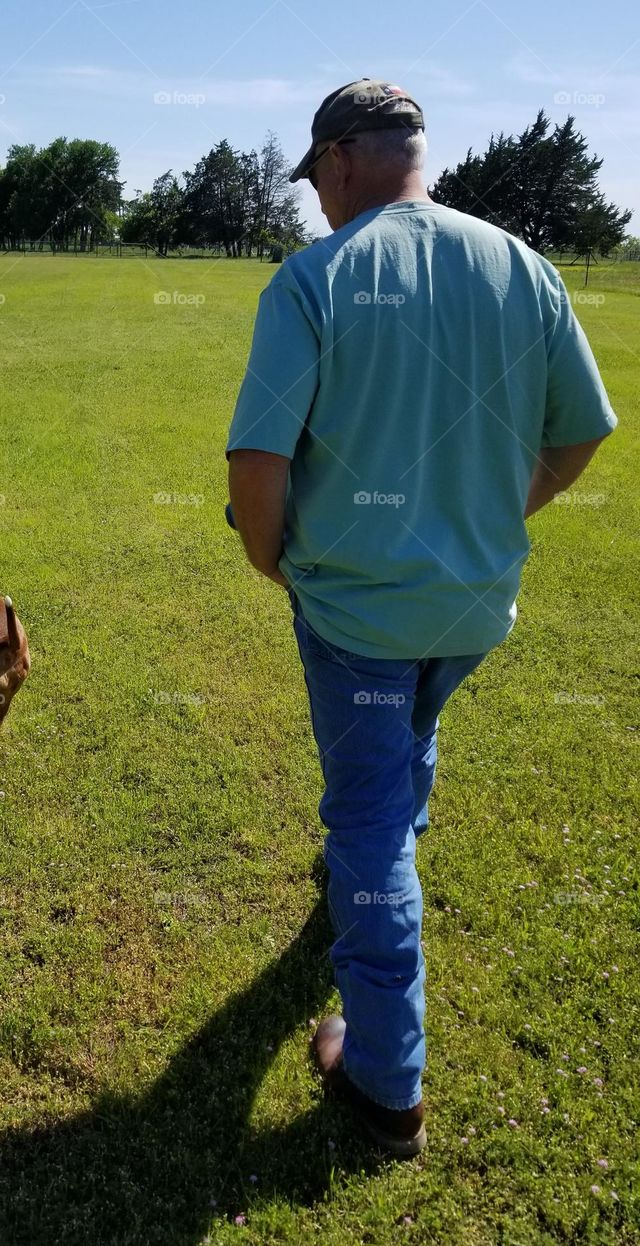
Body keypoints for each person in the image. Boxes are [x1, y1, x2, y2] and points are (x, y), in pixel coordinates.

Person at [225, 78, 617, 1157]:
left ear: (343, 158)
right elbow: (582, 433)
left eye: (315, 179)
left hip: (355, 607)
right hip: (473, 603)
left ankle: (387, 1080)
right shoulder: (522, 266)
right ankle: (391, 844)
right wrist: (493, 514)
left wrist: (274, 561)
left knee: (363, 823)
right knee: (410, 737)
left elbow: (257, 460)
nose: (314, 201)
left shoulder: (316, 277)